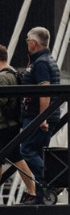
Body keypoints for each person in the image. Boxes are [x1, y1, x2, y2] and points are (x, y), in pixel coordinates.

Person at [18, 27, 60, 200]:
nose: (27, 43)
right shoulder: (45, 60)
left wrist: (42, 119)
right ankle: (43, 194)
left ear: (34, 43)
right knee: (38, 151)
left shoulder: (41, 63)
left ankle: (52, 184)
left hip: (38, 116)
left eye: (28, 40)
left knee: (27, 150)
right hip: (43, 115)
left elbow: (45, 91)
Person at [0, 46, 39, 203]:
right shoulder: (13, 72)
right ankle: (32, 190)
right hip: (12, 123)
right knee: (14, 156)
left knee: (13, 156)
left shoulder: (2, 77)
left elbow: (1, 101)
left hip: (3, 124)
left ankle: (32, 190)